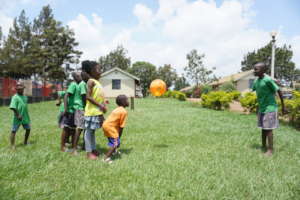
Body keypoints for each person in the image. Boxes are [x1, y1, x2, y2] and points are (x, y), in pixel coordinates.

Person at [253, 62, 285, 156]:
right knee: (263, 128)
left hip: (270, 108)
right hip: (262, 108)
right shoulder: (256, 81)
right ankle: (263, 146)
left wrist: (283, 106)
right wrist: (257, 106)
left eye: (256, 69)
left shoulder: (267, 80)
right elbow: (257, 92)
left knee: (269, 128)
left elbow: (278, 90)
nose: (254, 71)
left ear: (263, 71)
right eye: (254, 69)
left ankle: (270, 150)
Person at [82, 60, 107, 160]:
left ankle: (93, 149)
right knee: (88, 132)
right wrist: (100, 106)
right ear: (92, 71)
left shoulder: (97, 82)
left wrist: (104, 102)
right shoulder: (91, 81)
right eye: (98, 69)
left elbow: (98, 96)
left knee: (92, 132)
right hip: (91, 112)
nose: (100, 71)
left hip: (96, 112)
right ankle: (88, 152)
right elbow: (88, 97)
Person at [102, 95, 129, 163]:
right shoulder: (123, 112)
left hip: (106, 125)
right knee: (115, 143)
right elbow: (121, 127)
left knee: (114, 141)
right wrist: (119, 137)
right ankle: (106, 158)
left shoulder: (117, 109)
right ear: (123, 102)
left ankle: (114, 152)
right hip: (110, 127)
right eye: (127, 100)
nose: (128, 102)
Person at [61, 72, 81, 152]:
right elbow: (66, 96)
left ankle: (73, 145)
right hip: (71, 110)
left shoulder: (79, 85)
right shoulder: (73, 84)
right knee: (66, 128)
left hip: (76, 110)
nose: (80, 77)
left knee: (73, 129)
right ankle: (62, 147)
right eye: (78, 76)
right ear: (74, 77)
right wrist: (66, 108)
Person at [71, 70, 90, 155]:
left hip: (81, 108)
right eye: (79, 75)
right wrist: (86, 107)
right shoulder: (82, 84)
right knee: (79, 129)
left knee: (84, 128)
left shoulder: (82, 83)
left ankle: (84, 145)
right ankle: (74, 149)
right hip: (81, 108)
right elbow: (83, 97)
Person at [9, 82, 31, 150]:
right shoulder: (15, 97)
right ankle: (12, 145)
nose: (20, 90)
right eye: (18, 89)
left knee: (28, 129)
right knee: (14, 130)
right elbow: (12, 107)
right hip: (18, 117)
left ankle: (25, 142)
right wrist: (18, 115)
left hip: (25, 117)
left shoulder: (25, 97)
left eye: (21, 89)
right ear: (16, 90)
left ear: (23, 89)